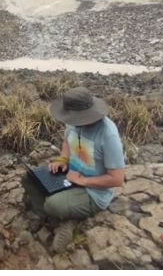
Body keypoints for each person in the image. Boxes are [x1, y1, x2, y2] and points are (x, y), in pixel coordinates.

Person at [22, 86, 127, 253]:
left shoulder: (108, 134)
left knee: (53, 205)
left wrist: (83, 180)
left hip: (93, 192)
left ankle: (69, 219)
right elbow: (66, 142)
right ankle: (54, 216)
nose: (74, 122)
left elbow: (117, 179)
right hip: (71, 174)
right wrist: (63, 159)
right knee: (28, 178)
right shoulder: (73, 121)